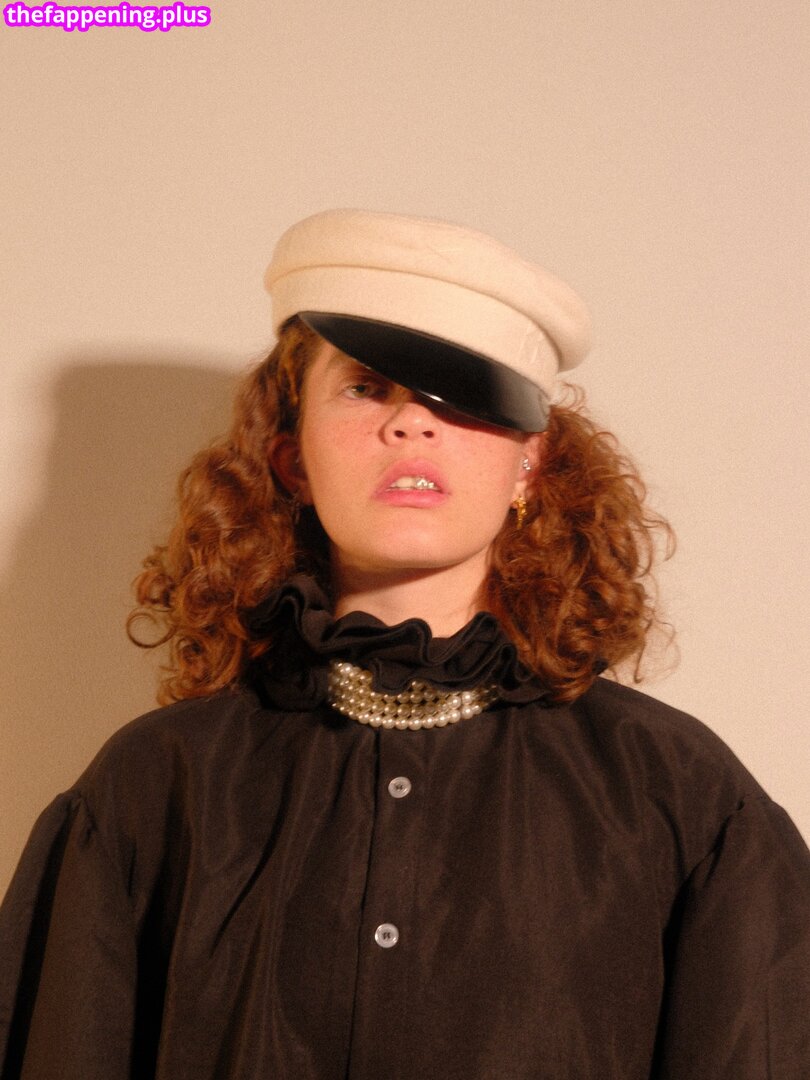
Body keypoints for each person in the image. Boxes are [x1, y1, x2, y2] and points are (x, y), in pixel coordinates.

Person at [1, 208, 808, 1079]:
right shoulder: (154, 789)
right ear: (293, 459)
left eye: (461, 395)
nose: (411, 424)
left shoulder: (681, 797)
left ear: (530, 462)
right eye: (366, 388)